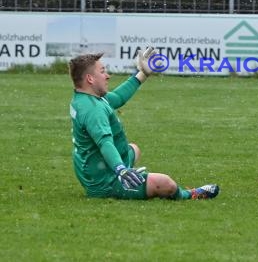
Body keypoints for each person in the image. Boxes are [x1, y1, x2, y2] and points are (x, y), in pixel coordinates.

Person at [68, 47, 219, 200]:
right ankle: (190, 195)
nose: (108, 76)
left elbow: (119, 98)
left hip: (91, 168)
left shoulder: (87, 98)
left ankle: (126, 174)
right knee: (166, 184)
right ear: (90, 79)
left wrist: (143, 73)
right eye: (102, 71)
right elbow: (105, 143)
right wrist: (121, 170)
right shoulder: (93, 110)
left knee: (134, 149)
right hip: (106, 181)